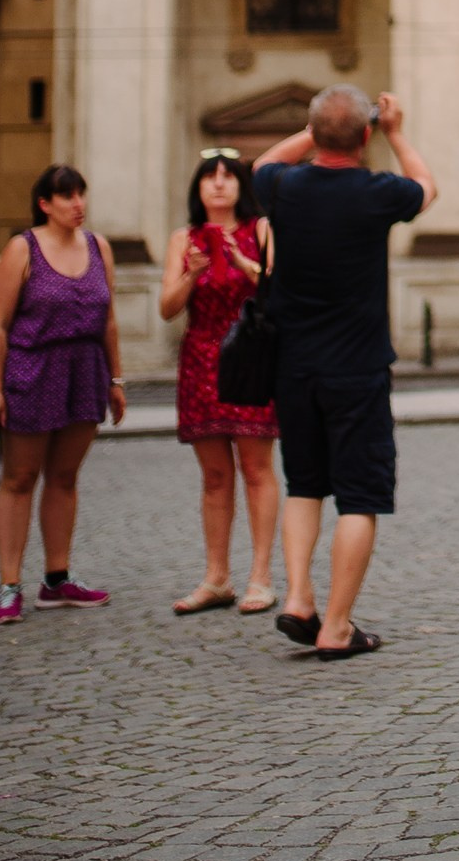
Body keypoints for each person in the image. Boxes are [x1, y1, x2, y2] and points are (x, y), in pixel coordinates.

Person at [254, 89, 435, 659]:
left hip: (293, 367)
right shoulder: (378, 192)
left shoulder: (282, 186)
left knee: (304, 486)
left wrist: (317, 128)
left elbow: (263, 163)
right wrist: (394, 131)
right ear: (365, 136)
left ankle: (298, 598)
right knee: (359, 497)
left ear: (313, 132)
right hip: (357, 369)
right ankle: (336, 626)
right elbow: (426, 187)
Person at [0, 165, 127, 622]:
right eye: (67, 196)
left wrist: (116, 380)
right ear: (45, 204)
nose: (78, 204)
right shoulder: (22, 249)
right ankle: (9, 586)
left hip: (85, 371)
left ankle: (57, 580)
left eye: (81, 194)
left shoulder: (99, 247)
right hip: (33, 368)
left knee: (64, 477)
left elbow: (108, 320)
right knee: (20, 478)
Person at [158, 150, 282, 616]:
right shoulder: (183, 239)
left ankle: (261, 576)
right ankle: (216, 578)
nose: (218, 183)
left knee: (256, 469)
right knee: (214, 476)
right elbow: (167, 308)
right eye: (209, 176)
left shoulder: (261, 230)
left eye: (228, 176)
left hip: (249, 358)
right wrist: (192, 272)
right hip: (201, 361)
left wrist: (246, 264)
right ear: (198, 188)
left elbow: (279, 289)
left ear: (241, 187)